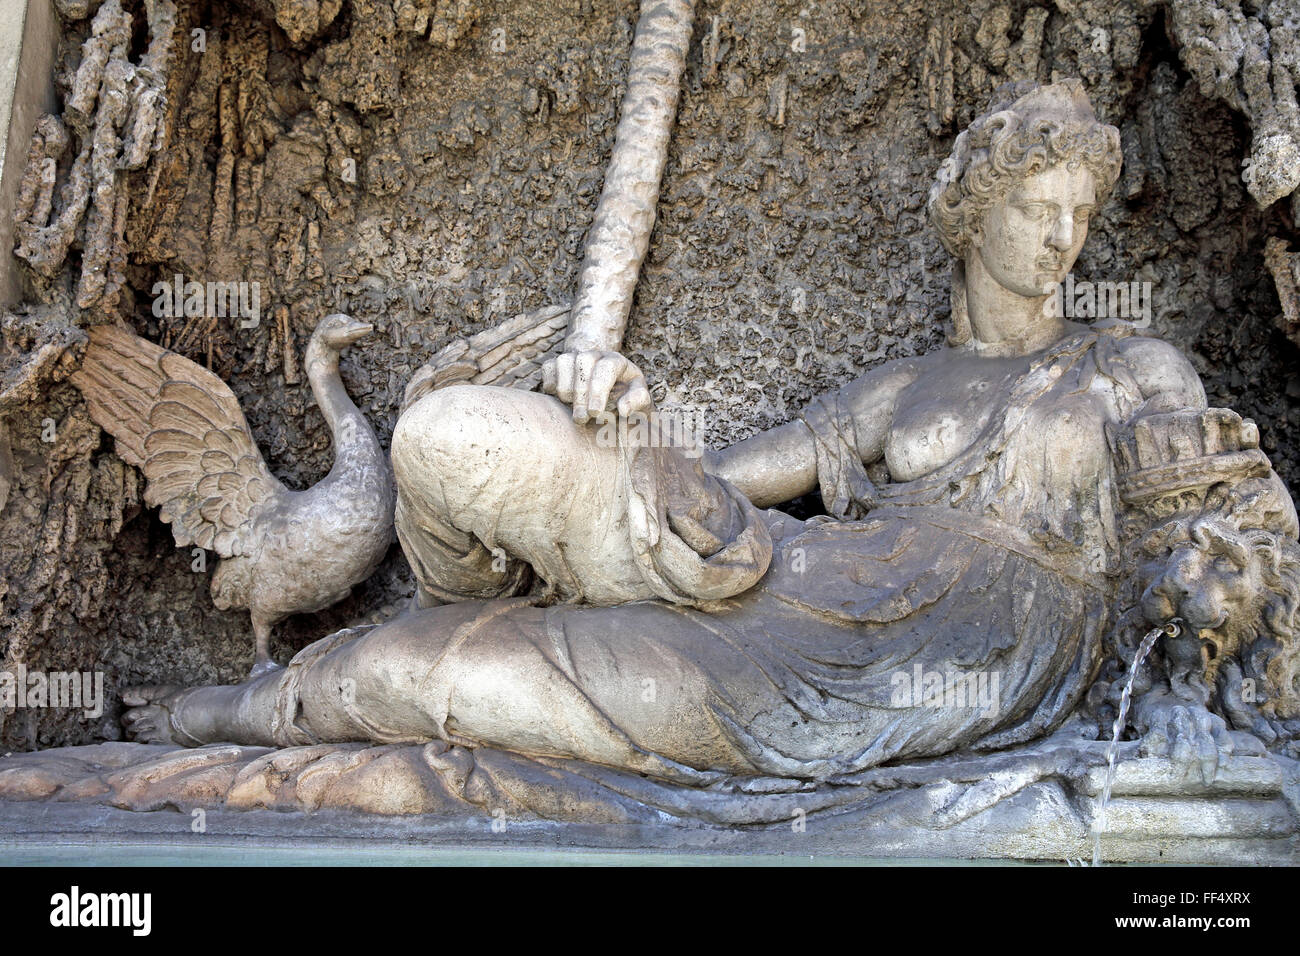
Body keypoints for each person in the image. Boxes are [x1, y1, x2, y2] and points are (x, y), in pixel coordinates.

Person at [122, 80, 1296, 784]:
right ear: (973, 217)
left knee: (466, 678)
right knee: (451, 467)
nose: (1060, 243)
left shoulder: (1128, 364)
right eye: (1036, 211)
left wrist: (1210, 616)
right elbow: (737, 475)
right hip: (792, 586)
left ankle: (222, 718)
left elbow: (1228, 528)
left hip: (944, 659)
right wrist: (637, 431)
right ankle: (267, 688)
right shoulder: (900, 392)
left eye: (1077, 218)